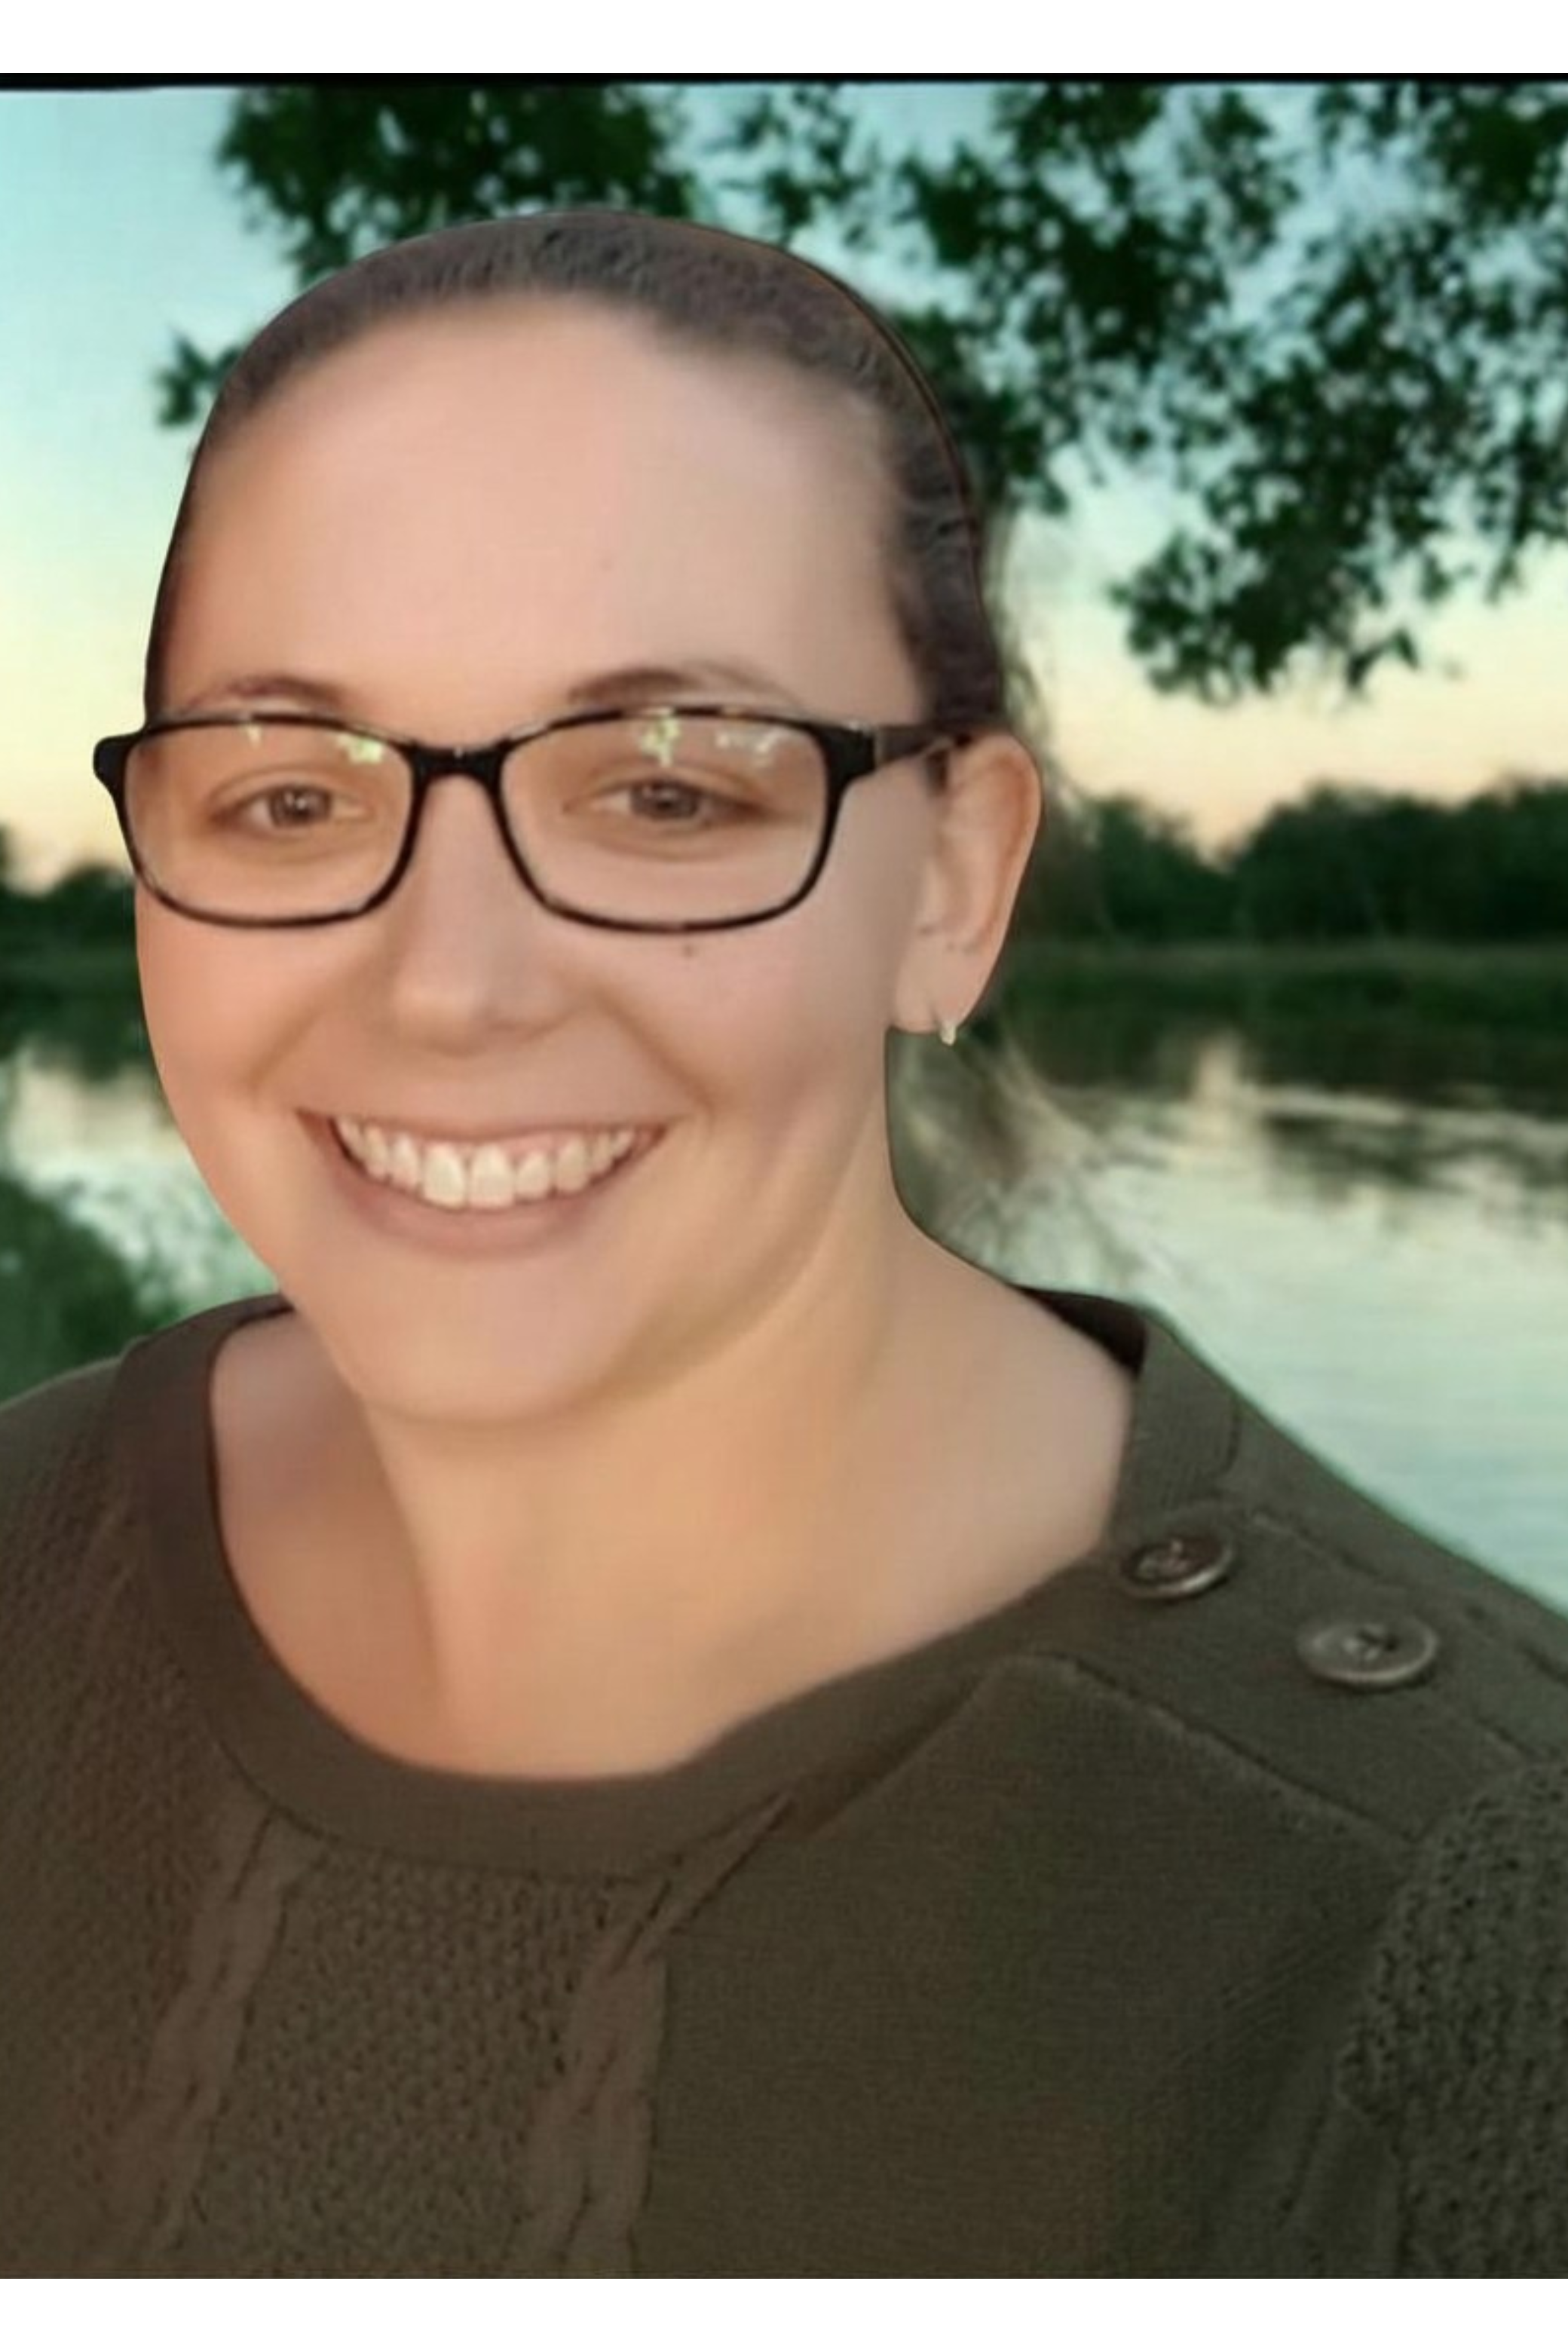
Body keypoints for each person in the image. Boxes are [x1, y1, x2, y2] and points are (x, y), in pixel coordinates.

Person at [2, 208, 1566, 2280]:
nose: (451, 982)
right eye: (293, 798)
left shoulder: (1457, 1920)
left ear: (949, 885)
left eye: (666, 795)